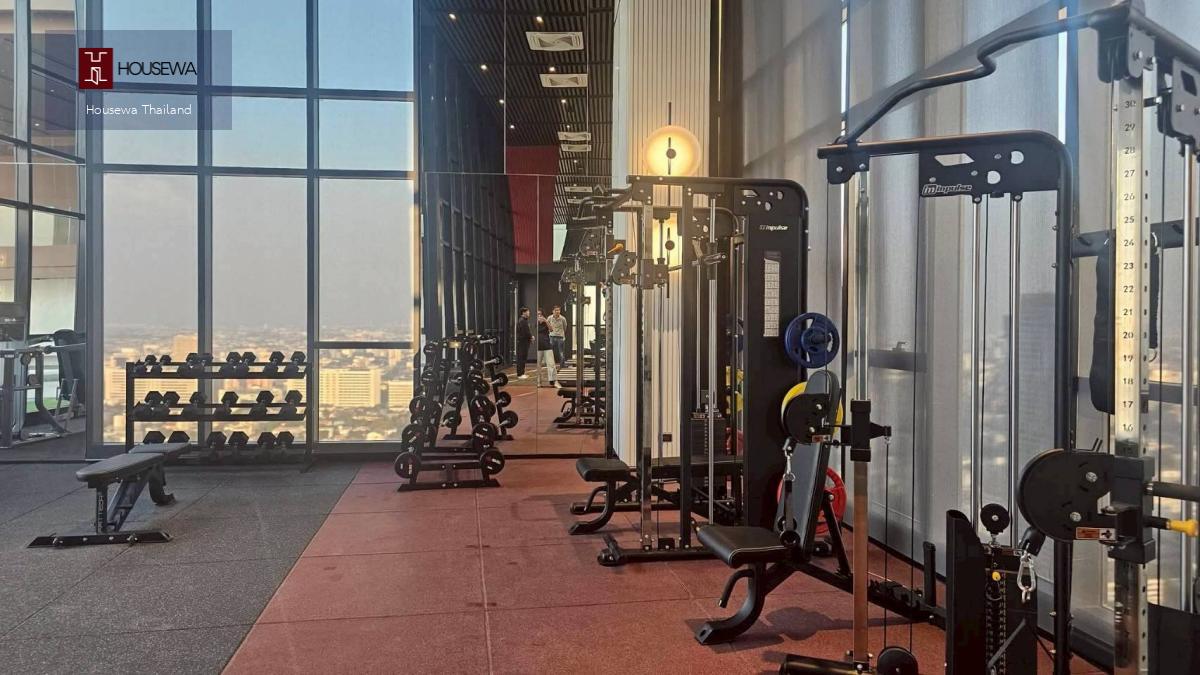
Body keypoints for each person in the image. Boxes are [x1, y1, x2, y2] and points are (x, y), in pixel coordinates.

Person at [536, 309, 558, 388]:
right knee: (538, 365)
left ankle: (553, 381)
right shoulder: (534, 323)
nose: (539, 316)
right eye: (537, 314)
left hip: (547, 345)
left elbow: (551, 329)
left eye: (540, 314)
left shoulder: (545, 322)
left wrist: (545, 320)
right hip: (538, 347)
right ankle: (538, 382)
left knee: (551, 364)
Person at [515, 307, 532, 379]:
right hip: (522, 342)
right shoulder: (522, 321)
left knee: (523, 357)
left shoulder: (524, 320)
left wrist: (530, 337)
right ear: (524, 313)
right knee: (521, 358)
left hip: (524, 342)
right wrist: (531, 337)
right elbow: (526, 332)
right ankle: (520, 374)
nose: (529, 313)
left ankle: (522, 373)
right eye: (528, 312)